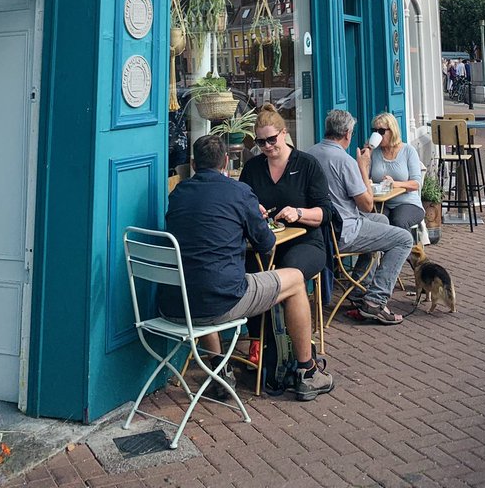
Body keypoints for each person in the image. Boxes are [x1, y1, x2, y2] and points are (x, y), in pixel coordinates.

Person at [159, 133, 334, 402]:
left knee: (202, 277)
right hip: (221, 302)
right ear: (227, 162)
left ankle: (219, 371)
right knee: (296, 281)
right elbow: (265, 243)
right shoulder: (238, 192)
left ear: (193, 164)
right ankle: (307, 373)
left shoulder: (177, 193)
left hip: (174, 304)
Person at [239, 104, 330, 364]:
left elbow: (326, 212)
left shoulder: (307, 165)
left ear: (284, 132)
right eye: (261, 142)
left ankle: (295, 347)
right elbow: (242, 203)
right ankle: (262, 343)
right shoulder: (253, 168)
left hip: (306, 242)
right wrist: (252, 209)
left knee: (287, 274)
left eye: (272, 139)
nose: (267, 146)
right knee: (251, 274)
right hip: (266, 244)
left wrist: (299, 213)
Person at [309, 109, 413, 325]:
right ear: (347, 134)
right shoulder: (344, 160)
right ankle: (375, 301)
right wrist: (363, 168)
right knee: (404, 239)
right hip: (344, 232)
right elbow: (366, 205)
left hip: (321, 230)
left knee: (382, 221)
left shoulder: (310, 154)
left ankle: (358, 292)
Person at [368, 112, 425, 232]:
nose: (377, 135)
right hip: (382, 202)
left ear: (392, 131)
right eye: (375, 131)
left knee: (398, 221)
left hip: (407, 202)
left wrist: (395, 184)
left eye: (381, 131)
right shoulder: (374, 152)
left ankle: (403, 249)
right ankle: (376, 250)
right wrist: (365, 159)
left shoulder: (408, 151)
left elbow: (416, 184)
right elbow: (365, 179)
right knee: (375, 222)